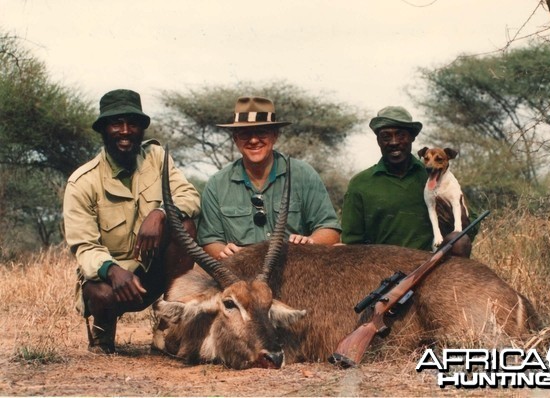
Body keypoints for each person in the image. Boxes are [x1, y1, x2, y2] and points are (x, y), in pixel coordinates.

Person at [63, 89, 201, 354]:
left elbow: (190, 196)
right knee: (99, 293)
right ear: (103, 129)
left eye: (133, 123)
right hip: (115, 279)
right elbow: (84, 247)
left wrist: (160, 212)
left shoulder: (158, 159)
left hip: (155, 270)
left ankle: (168, 329)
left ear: (141, 129)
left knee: (183, 227)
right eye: (117, 123)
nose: (125, 131)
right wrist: (112, 271)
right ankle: (103, 336)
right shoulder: (82, 182)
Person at [197, 96, 341, 260]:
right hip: (241, 273)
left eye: (262, 133)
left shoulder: (303, 174)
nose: (253, 140)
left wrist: (310, 242)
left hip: (296, 267)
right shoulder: (217, 184)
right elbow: (209, 239)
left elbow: (330, 230)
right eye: (245, 134)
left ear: (275, 136)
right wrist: (223, 251)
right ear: (235, 139)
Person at [341, 105, 472, 257]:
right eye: (386, 136)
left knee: (459, 241)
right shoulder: (360, 183)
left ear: (412, 137)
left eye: (401, 135)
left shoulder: (437, 176)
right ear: (378, 141)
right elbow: (351, 243)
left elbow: (469, 228)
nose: (394, 142)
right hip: (381, 268)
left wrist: (460, 221)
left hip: (434, 265)